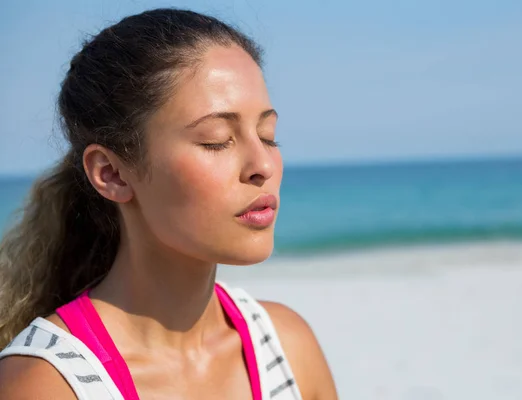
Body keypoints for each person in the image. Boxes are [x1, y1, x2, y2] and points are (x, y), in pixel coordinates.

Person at [0, 8, 337, 400]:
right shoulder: (46, 384)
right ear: (112, 173)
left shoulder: (288, 347)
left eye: (267, 134)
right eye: (216, 139)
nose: (263, 165)